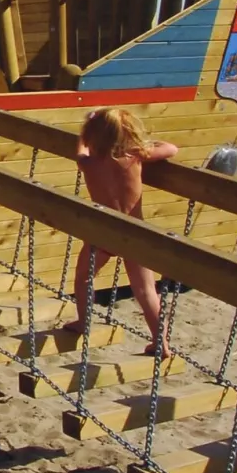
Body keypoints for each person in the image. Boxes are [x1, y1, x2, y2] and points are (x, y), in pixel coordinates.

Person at [62, 108, 179, 358]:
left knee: (84, 277)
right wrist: (142, 145)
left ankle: (84, 322)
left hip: (104, 233)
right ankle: (161, 343)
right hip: (134, 231)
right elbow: (171, 149)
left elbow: (80, 149)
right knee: (146, 289)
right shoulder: (135, 156)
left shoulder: (88, 163)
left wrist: (85, 131)